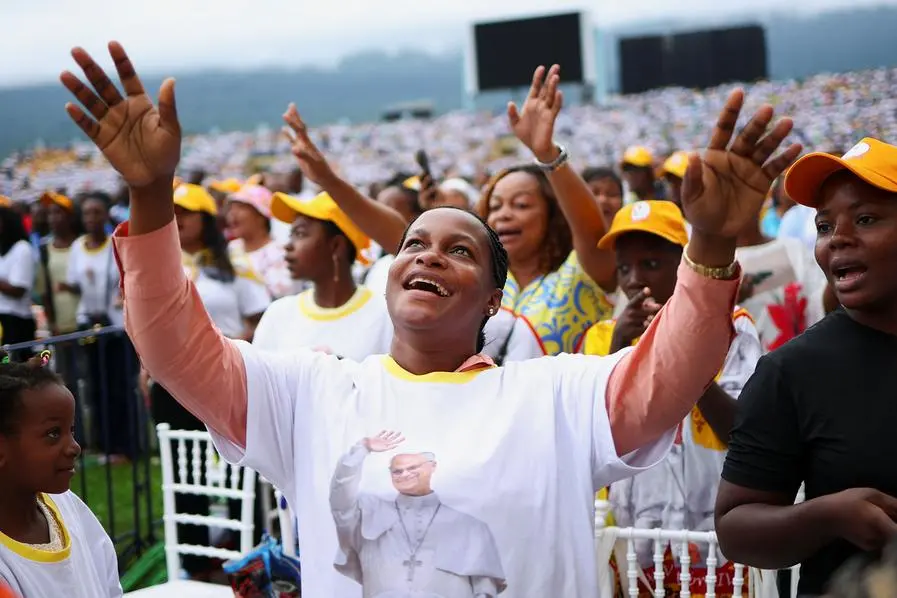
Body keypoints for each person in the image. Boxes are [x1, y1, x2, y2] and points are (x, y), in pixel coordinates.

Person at [59, 42, 799, 597]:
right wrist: (150, 195)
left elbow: (669, 375)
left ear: (492, 301)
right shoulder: (313, 393)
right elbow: (175, 347)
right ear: (390, 275)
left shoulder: (553, 394)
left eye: (459, 250)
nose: (429, 256)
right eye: (414, 244)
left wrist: (709, 243)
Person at [715, 138, 897, 597]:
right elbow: (735, 528)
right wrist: (827, 515)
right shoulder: (790, 371)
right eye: (824, 225)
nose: (838, 238)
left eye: (866, 219)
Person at [581, 201, 762, 597]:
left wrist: (683, 356)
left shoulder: (732, 327)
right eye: (624, 268)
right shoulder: (601, 336)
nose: (635, 281)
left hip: (711, 537)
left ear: (685, 265)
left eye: (651, 264)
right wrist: (621, 347)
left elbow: (741, 430)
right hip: (635, 535)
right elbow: (591, 435)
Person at [0, 352, 122, 597]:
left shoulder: (68, 507)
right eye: (53, 433)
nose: (74, 447)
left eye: (71, 430)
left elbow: (109, 585)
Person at [330, 431, 506, 596]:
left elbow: (485, 586)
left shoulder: (470, 527)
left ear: (432, 467)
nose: (404, 474)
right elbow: (341, 496)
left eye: (413, 467)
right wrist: (362, 449)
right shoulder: (369, 515)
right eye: (397, 471)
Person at [253, 191, 392, 360]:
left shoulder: (386, 315)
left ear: (336, 246)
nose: (288, 246)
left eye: (300, 234)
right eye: (291, 235)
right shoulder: (278, 314)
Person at [225, 183, 295, 299]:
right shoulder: (231, 248)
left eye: (241, 208)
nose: (232, 214)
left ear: (261, 216)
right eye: (231, 208)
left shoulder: (281, 253)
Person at [0, 207, 36, 347]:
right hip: (2, 320)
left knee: (13, 360)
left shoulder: (22, 248)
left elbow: (18, 290)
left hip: (16, 320)